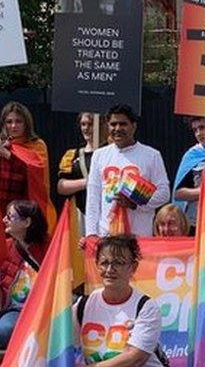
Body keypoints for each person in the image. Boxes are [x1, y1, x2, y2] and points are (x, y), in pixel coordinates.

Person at [74, 234, 166, 366]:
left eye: (118, 263)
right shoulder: (82, 306)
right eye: (104, 263)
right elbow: (60, 343)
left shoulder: (146, 307)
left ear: (133, 267)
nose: (110, 270)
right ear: (97, 265)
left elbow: (134, 357)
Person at [85, 105, 170, 238]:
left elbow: (164, 194)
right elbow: (93, 198)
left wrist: (134, 203)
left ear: (134, 126)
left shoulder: (152, 155)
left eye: (123, 124)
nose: (117, 128)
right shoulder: (99, 155)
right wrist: (91, 233)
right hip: (107, 234)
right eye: (113, 124)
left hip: (139, 235)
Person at [0, 200, 48, 346]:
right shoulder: (6, 246)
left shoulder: (49, 246)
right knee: (5, 329)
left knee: (5, 331)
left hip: (38, 309)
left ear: (27, 222)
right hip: (11, 307)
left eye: (10, 216)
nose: (4, 220)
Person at [0, 102, 54, 230]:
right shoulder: (2, 143)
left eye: (19, 121)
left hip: (23, 214)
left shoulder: (37, 146)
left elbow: (36, 176)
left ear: (26, 124)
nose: (13, 126)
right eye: (9, 122)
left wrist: (8, 155)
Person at [56, 112, 105, 215]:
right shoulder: (73, 155)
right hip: (81, 213)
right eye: (83, 124)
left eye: (90, 124)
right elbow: (61, 187)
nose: (86, 128)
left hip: (108, 212)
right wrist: (87, 182)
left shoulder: (112, 152)